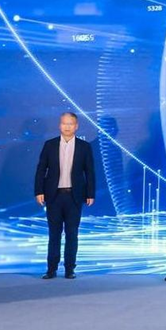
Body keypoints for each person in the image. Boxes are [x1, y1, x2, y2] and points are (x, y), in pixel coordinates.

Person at [35, 112, 95, 279]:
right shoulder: (50, 145)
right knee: (54, 234)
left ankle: (70, 269)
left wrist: (90, 193)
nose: (67, 126)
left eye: (70, 124)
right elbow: (41, 169)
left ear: (76, 126)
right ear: (59, 125)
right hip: (53, 196)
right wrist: (39, 191)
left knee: (72, 234)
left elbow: (89, 172)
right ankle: (51, 269)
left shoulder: (84, 147)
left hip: (74, 196)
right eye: (64, 123)